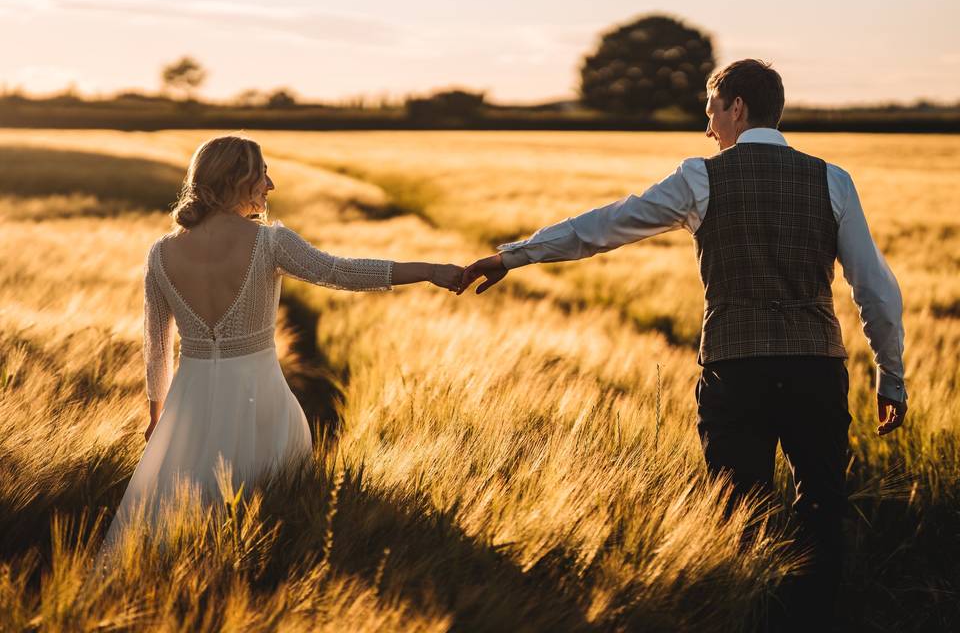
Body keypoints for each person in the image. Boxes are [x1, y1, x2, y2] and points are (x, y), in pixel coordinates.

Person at [458, 59, 908, 629]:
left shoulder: (700, 178)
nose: (708, 128)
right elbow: (877, 291)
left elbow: (603, 226)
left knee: (737, 509)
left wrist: (513, 254)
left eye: (711, 112)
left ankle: (745, 616)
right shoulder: (831, 179)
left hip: (734, 370)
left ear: (736, 108)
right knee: (822, 508)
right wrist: (891, 376)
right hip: (815, 369)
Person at [98, 134, 463, 560]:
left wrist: (158, 419)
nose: (270, 186)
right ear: (237, 179)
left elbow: (157, 346)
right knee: (265, 532)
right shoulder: (270, 242)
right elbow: (341, 272)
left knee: (171, 534)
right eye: (263, 174)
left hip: (188, 410)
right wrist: (430, 270)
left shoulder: (161, 253)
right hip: (261, 407)